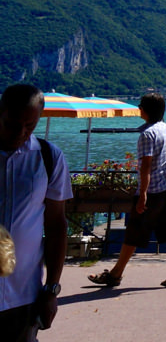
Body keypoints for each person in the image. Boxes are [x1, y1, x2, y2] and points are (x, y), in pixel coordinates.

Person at [88, 92, 166, 289]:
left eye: (140, 106)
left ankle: (115, 275)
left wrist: (142, 194)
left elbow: (145, 166)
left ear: (145, 110)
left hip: (152, 190)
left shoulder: (148, 134)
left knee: (134, 231)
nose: (139, 108)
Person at [0, 83, 71, 342]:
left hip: (23, 297)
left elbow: (56, 226)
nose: (21, 132)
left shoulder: (49, 158)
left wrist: (51, 289)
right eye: (12, 123)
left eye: (30, 125)